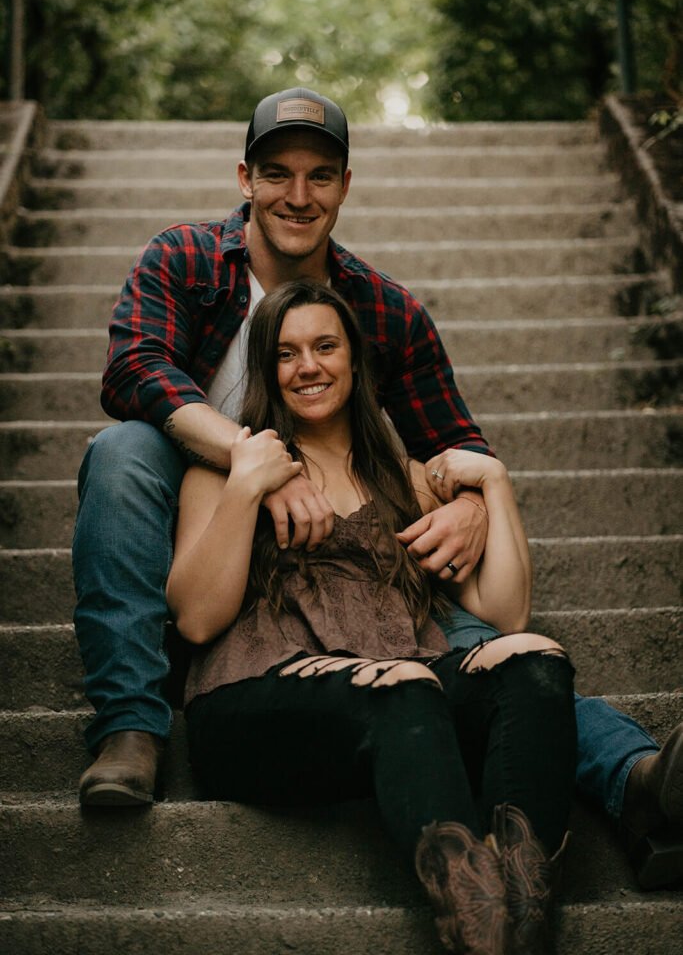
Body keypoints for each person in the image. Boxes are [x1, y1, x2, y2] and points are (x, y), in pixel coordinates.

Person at [72, 86, 683, 891]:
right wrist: (260, 463)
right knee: (120, 450)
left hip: (351, 558)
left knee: (474, 651)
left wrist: (469, 501)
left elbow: (453, 444)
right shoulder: (186, 259)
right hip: (213, 530)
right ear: (244, 178)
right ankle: (129, 726)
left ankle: (637, 782)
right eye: (277, 174)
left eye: (320, 175)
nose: (298, 196)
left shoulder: (382, 309)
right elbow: (133, 369)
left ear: (345, 185)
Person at [168, 280, 576, 955]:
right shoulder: (218, 476)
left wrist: (493, 485)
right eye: (286, 352)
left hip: (399, 699)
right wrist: (248, 478)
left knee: (533, 660)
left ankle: (519, 930)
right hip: (248, 708)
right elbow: (196, 620)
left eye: (325, 346)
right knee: (402, 686)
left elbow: (503, 611)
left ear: (355, 362)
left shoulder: (404, 479)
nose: (308, 366)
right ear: (265, 368)